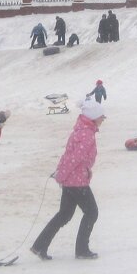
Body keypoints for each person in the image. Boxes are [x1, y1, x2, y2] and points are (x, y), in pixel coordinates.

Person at [30, 97, 105, 261]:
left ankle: (39, 246)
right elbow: (74, 158)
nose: (103, 120)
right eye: (101, 117)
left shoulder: (81, 130)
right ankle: (82, 250)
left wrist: (60, 174)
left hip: (72, 180)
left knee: (64, 215)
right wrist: (61, 174)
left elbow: (68, 155)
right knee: (92, 212)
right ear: (93, 117)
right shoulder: (86, 134)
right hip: (77, 181)